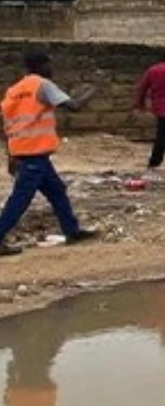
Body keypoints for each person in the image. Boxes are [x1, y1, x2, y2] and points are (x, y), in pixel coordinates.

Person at [0, 53, 99, 257]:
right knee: (20, 199)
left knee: (57, 191)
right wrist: (93, 91)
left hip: (25, 153)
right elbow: (74, 106)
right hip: (34, 155)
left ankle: (72, 231)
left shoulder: (13, 90)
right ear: (40, 65)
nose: (51, 68)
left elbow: (7, 126)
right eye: (49, 64)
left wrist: (10, 155)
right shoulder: (43, 85)